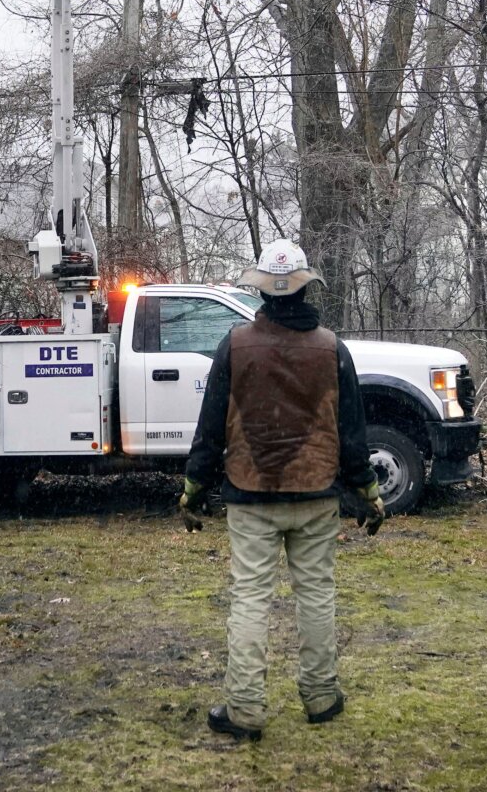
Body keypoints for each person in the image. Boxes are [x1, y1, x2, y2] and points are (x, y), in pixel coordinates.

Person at [179, 239, 386, 742]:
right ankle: (321, 697)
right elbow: (353, 432)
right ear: (304, 288)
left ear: (264, 293)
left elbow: (209, 428)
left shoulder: (235, 344)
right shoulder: (333, 348)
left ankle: (245, 710)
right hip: (317, 494)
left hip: (251, 494)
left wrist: (192, 488)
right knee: (316, 596)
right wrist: (368, 492)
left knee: (250, 598)